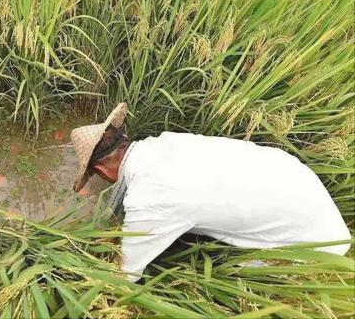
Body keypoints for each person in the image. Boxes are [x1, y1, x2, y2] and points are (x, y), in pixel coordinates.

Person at [70, 102, 352, 282]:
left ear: (102, 171)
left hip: (316, 245)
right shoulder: (166, 142)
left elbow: (126, 273)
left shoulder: (150, 198)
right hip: (299, 181)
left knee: (241, 273)